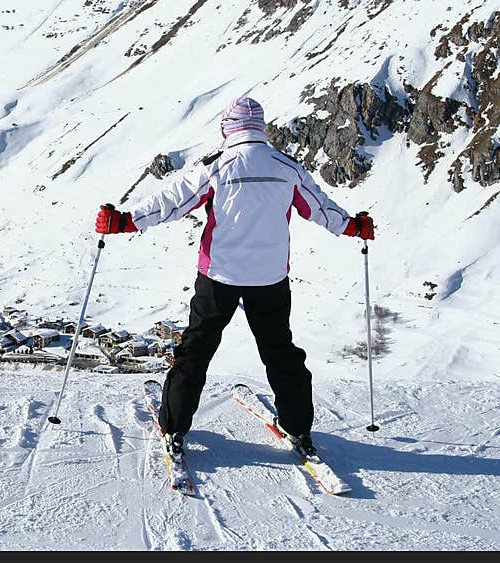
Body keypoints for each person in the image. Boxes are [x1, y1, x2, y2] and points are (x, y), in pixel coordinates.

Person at [94, 96, 375, 465]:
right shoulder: (286, 167)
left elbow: (174, 201)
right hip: (270, 277)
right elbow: (320, 208)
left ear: (228, 128)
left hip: (219, 276)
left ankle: (174, 425)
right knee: (280, 351)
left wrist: (126, 221)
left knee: (196, 349)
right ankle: (298, 425)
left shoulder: (217, 167)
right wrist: (353, 226)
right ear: (260, 127)